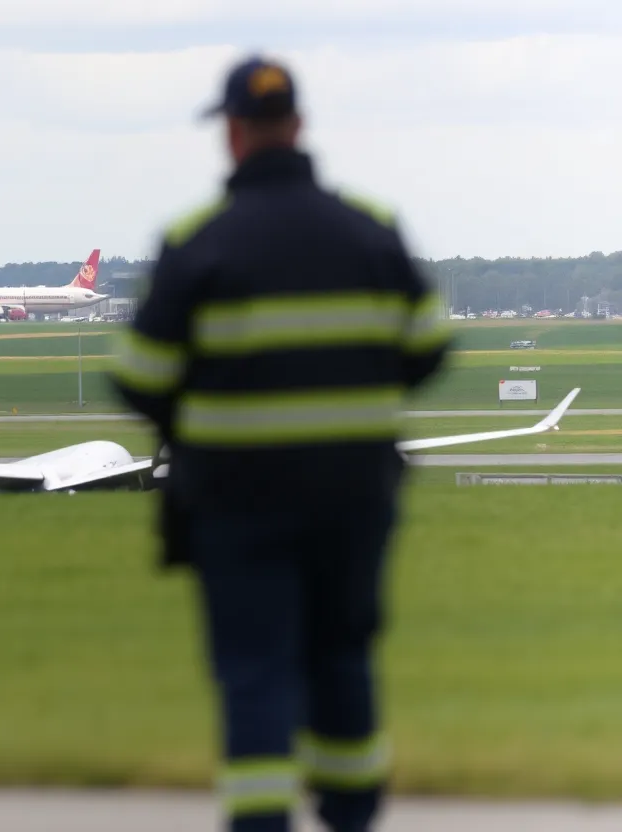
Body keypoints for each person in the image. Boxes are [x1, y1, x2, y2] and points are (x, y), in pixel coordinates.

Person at [108, 55, 450, 832]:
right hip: (355, 496)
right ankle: (354, 814)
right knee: (344, 654)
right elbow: (429, 350)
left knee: (255, 670)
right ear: (298, 125)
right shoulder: (371, 229)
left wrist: (200, 425)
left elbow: (138, 376)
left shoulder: (199, 241)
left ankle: (261, 819)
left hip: (238, 501)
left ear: (231, 133)